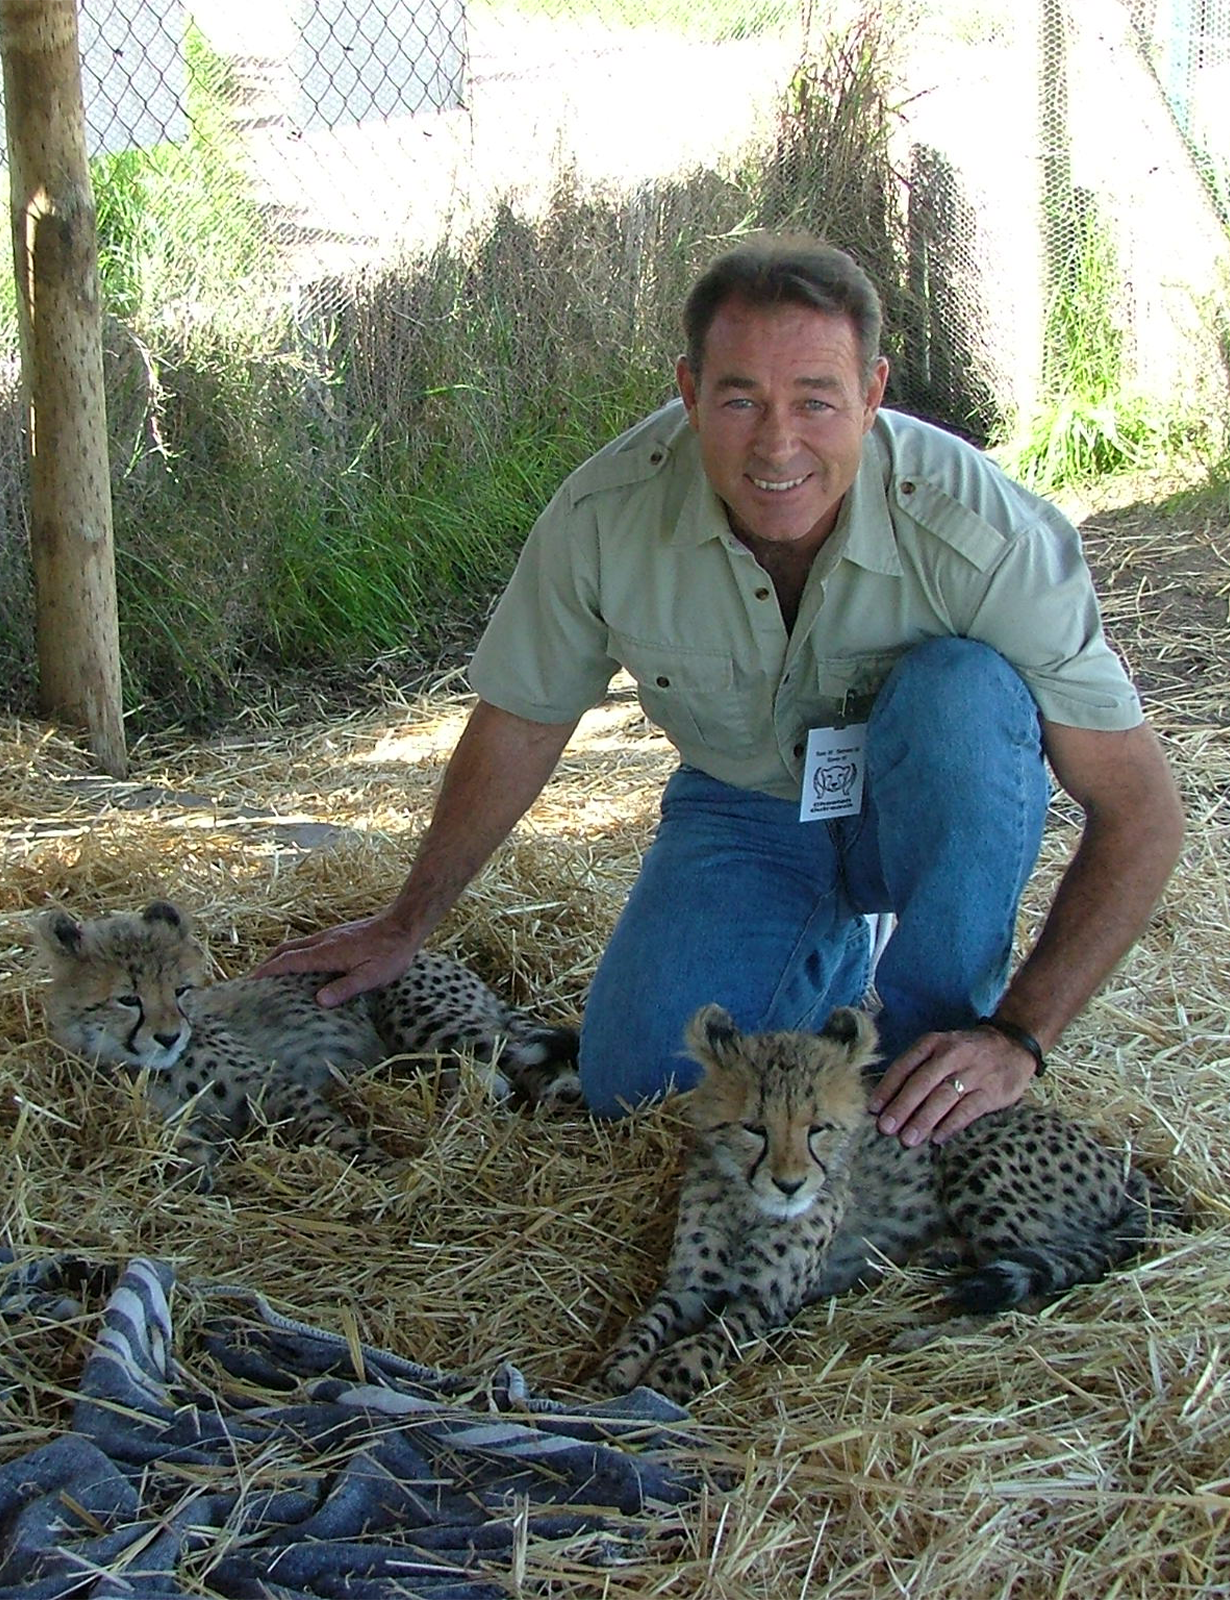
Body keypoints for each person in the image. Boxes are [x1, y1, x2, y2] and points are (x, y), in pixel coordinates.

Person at [255, 234, 1184, 1147]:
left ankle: (934, 1055)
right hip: (751, 808)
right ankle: (830, 949)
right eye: (740, 399)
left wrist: (1021, 1034)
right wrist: (405, 921)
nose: (777, 444)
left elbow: (1141, 807)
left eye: (817, 401)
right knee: (640, 1089)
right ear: (690, 392)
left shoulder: (988, 533)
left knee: (964, 694)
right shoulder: (605, 515)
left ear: (872, 396)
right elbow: (521, 723)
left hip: (926, 796)